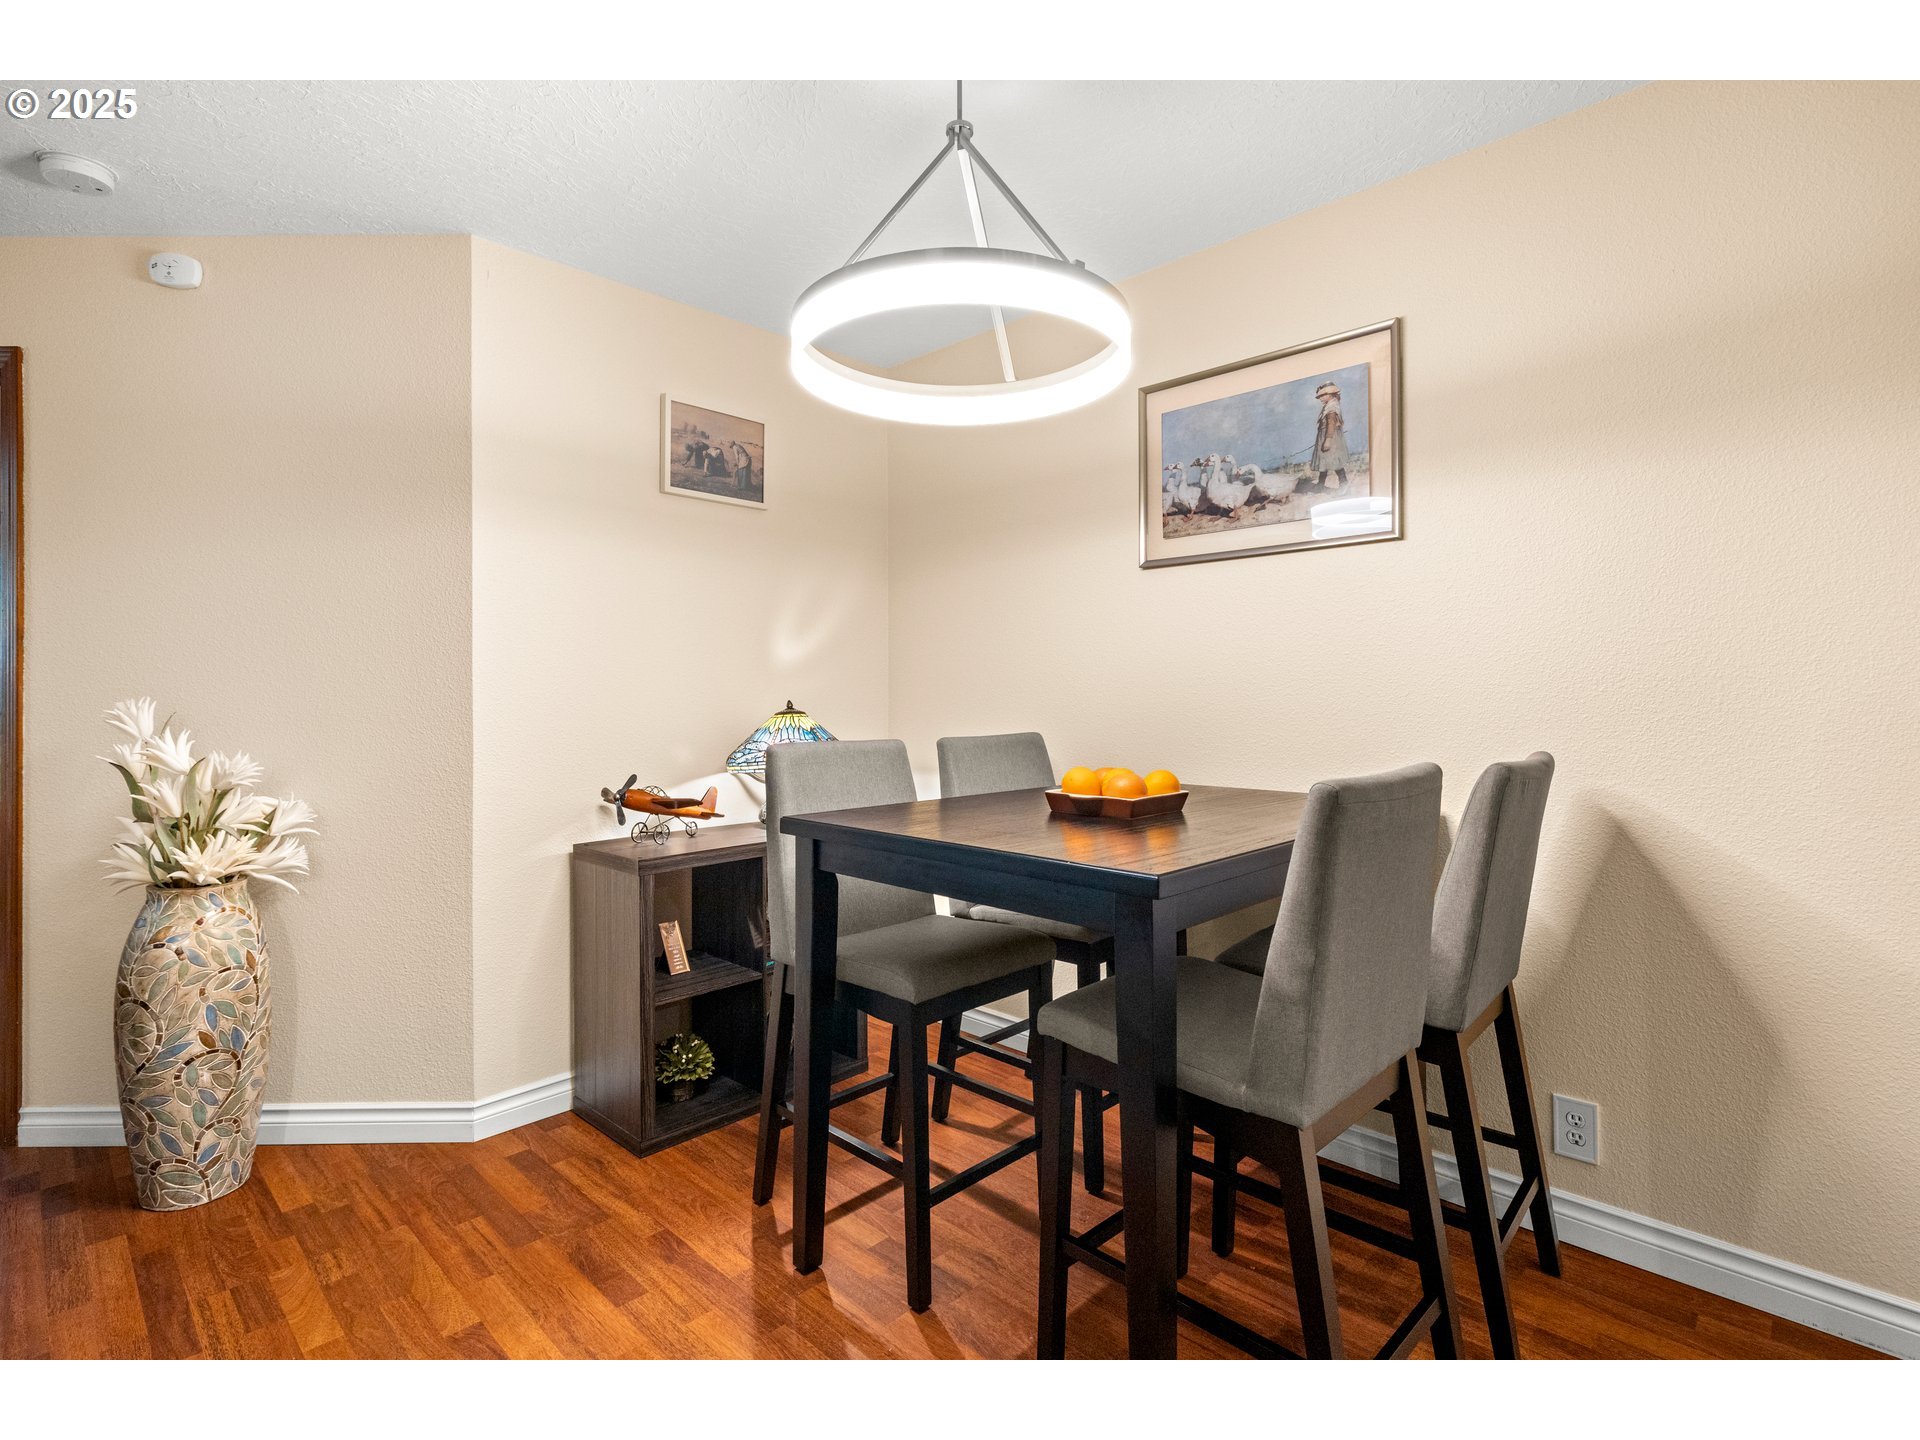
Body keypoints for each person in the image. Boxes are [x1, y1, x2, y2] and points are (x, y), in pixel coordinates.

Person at [1310, 381, 1351, 493]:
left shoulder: (1332, 407)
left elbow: (1331, 424)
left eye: (1323, 395)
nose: (1320, 398)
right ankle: (1320, 484)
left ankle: (1344, 486)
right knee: (1324, 461)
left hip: (1330, 437)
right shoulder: (1328, 406)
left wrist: (1327, 440)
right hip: (1325, 435)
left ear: (1330, 394)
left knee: (1335, 461)